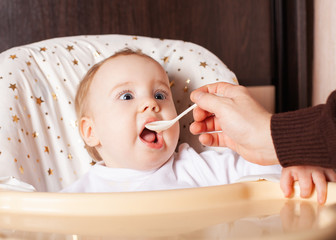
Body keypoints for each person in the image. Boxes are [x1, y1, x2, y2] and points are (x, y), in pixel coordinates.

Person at [62, 49, 329, 204]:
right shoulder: (79, 195)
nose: (151, 105)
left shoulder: (198, 168)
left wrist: (298, 161)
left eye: (160, 95)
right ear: (90, 132)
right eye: (127, 96)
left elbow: (268, 164)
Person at [190, 82, 336, 204]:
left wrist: (300, 159)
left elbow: (270, 171)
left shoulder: (198, 166)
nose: (164, 108)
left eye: (165, 96)